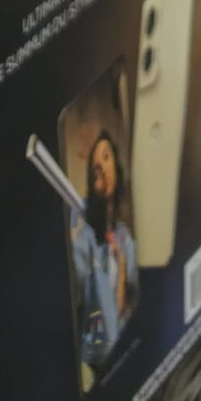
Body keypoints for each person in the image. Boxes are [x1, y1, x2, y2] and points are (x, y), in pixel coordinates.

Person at [68, 129, 139, 371]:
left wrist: (122, 271)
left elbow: (136, 295)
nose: (103, 171)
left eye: (107, 157)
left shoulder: (124, 238)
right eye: (95, 171)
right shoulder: (85, 237)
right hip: (100, 360)